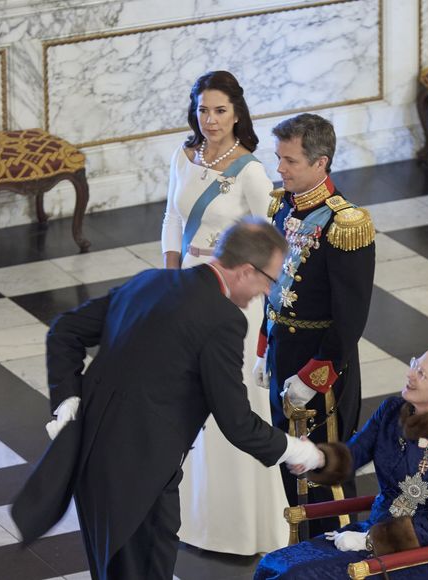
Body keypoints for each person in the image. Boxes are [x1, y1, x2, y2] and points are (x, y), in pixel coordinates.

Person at [40, 219, 328, 580]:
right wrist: (300, 452)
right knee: (134, 570)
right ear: (244, 271)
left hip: (113, 459)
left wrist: (68, 400)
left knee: (141, 561)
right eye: (269, 280)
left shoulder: (153, 281)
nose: (267, 292)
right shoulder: (223, 319)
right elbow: (237, 422)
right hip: (134, 468)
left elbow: (64, 331)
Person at [161, 70, 289, 554]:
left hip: (233, 295)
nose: (209, 120)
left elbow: (269, 243)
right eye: (202, 110)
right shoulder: (184, 155)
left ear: (237, 112)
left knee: (230, 400)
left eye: (219, 110)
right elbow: (173, 217)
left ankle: (245, 527)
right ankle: (195, 519)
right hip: (189, 287)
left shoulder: (251, 172)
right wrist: (172, 274)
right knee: (190, 394)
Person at [255, 344, 428, 580]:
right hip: (376, 528)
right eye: (415, 364)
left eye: (422, 374)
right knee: (274, 563)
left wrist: (370, 540)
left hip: (420, 556)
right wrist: (318, 457)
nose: (410, 374)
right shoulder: (393, 411)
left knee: (298, 577)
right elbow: (355, 453)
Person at [253, 113, 376, 535]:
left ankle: (336, 555)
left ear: (320, 163)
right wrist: (264, 348)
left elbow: (350, 319)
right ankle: (303, 552)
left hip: (322, 368)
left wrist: (314, 376)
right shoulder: (282, 205)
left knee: (324, 471)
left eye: (289, 161)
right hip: (283, 355)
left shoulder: (346, 225)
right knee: (291, 463)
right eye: (279, 158)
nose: (279, 169)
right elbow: (275, 286)